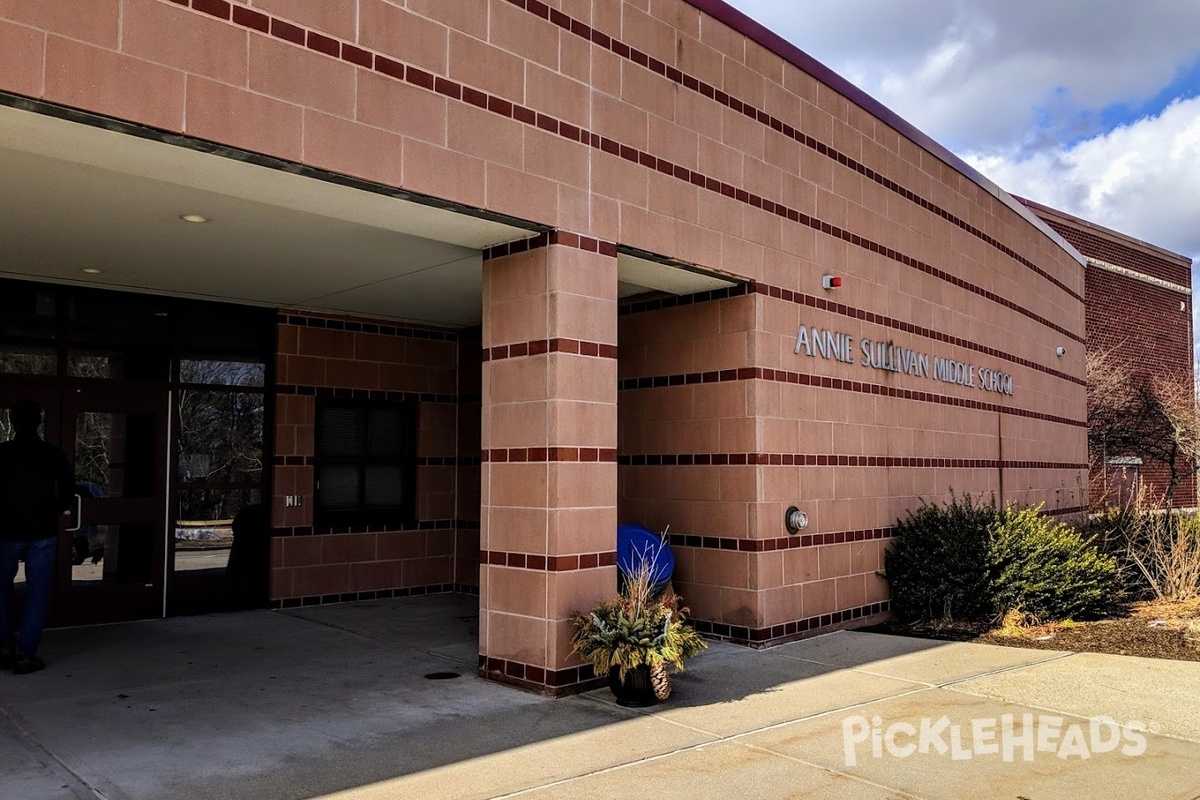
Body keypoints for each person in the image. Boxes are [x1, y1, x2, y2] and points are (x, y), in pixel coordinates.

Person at [0, 400, 74, 674]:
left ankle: (5, 647)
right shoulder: (52, 454)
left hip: (4, 532)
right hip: (42, 531)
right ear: (39, 422)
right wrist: (54, 510)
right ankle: (26, 655)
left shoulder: (2, 453)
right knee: (37, 594)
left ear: (12, 421)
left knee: (1, 591)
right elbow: (68, 489)